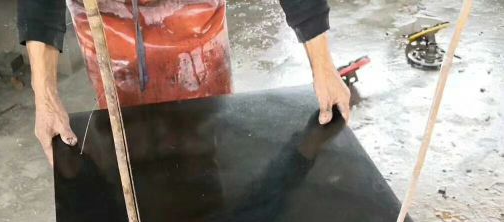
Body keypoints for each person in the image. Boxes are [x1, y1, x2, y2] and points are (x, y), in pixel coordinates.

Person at [17, 0, 350, 164]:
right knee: (133, 149)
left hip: (192, 14)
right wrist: (44, 94)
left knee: (205, 140)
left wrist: (323, 66)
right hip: (108, 20)